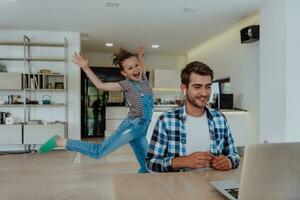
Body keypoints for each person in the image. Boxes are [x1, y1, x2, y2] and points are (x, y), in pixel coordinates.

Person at [39, 47, 153, 173]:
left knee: (147, 165)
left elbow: (142, 66)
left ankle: (142, 188)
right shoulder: (126, 84)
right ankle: (60, 141)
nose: (135, 69)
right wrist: (85, 67)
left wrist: (140, 55)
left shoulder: (144, 79)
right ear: (124, 73)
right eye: (130, 68)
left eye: (136, 65)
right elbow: (100, 85)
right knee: (98, 152)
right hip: (132, 127)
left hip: (142, 129)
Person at [146, 61, 239, 172]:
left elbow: (234, 154)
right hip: (178, 187)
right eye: (197, 87)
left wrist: (228, 161)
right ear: (183, 88)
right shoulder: (166, 120)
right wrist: (184, 161)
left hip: (214, 184)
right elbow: (151, 163)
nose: (204, 93)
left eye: (207, 87)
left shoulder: (219, 118)